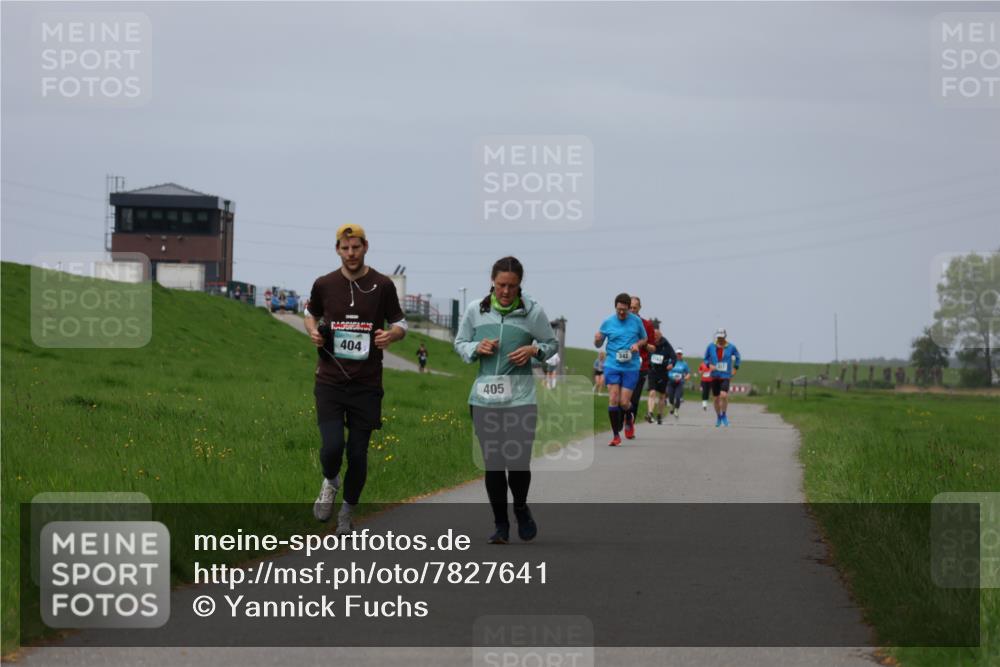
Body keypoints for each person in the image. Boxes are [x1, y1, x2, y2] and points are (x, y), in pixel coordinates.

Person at [306, 224, 407, 534]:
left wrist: (391, 335)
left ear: (366, 247)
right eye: (345, 248)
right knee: (332, 447)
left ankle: (347, 513)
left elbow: (401, 323)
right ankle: (330, 480)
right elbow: (310, 313)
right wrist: (313, 331)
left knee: (358, 454)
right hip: (330, 380)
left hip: (366, 383)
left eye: (356, 247)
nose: (351, 253)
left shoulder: (382, 285)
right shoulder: (324, 284)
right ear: (337, 249)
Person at [454, 256, 558, 544]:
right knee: (494, 463)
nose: (506, 291)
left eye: (512, 286)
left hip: (520, 398)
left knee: (518, 461)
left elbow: (551, 345)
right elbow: (460, 343)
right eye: (501, 285)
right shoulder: (476, 310)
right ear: (492, 281)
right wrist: (477, 347)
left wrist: (533, 351)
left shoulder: (532, 313)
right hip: (484, 398)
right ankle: (501, 525)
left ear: (519, 285)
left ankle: (521, 508)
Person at [595, 293, 647, 446]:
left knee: (624, 402)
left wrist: (637, 345)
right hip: (612, 364)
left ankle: (628, 416)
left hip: (631, 366)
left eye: (625, 310)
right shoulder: (608, 322)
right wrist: (597, 340)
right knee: (613, 399)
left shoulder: (636, 321)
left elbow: (644, 339)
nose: (622, 312)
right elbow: (598, 344)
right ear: (615, 307)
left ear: (629, 308)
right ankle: (616, 435)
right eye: (619, 310)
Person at [625, 296, 656, 438]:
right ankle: (622, 418)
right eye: (630, 307)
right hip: (623, 364)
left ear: (639, 308)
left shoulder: (647, 325)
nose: (632, 310)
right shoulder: (621, 322)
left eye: (634, 308)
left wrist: (642, 344)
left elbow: (652, 347)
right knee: (621, 397)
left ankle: (630, 423)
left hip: (640, 365)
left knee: (634, 398)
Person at [704, 328, 741, 427]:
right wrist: (709, 365)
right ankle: (718, 417)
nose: (720, 339)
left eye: (721, 337)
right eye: (718, 337)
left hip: (725, 375)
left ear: (725, 337)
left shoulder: (731, 347)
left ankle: (724, 415)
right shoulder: (711, 346)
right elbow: (706, 359)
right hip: (715, 375)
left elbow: (738, 357)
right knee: (716, 398)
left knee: (723, 395)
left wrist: (735, 368)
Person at [645, 329, 676, 425]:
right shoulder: (649, 343)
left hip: (663, 372)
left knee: (662, 395)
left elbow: (674, 356)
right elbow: (644, 353)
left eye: (657, 336)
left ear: (660, 336)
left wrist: (672, 364)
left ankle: (659, 415)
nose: (655, 337)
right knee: (652, 392)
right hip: (652, 371)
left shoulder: (666, 344)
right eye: (653, 336)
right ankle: (650, 413)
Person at [666, 348, 691, 419]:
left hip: (679, 382)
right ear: (675, 354)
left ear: (682, 355)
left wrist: (686, 377)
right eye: (677, 354)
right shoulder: (670, 361)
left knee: (677, 397)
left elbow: (688, 373)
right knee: (670, 396)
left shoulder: (684, 364)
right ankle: (672, 406)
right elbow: (666, 370)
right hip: (671, 382)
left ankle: (676, 410)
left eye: (680, 354)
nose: (679, 355)